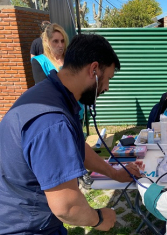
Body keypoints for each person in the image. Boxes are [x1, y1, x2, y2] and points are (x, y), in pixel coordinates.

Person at [0, 34, 142, 234]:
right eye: (107, 79)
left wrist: (115, 174)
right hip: (27, 227)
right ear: (93, 70)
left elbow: (76, 146)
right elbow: (66, 207)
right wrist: (99, 218)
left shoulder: (54, 95)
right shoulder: (52, 120)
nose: (107, 88)